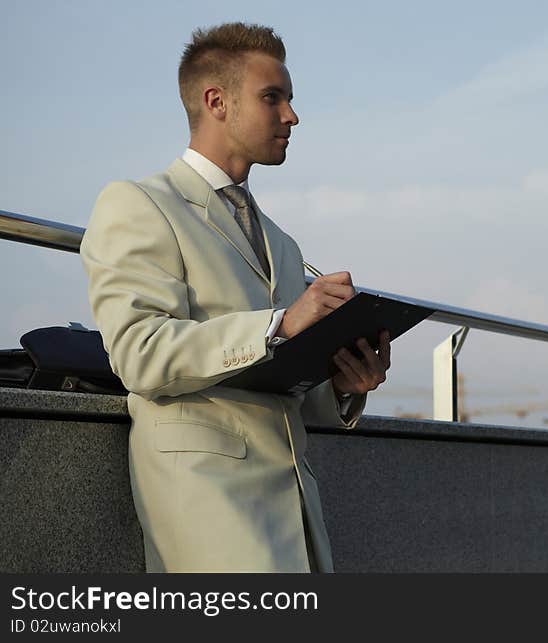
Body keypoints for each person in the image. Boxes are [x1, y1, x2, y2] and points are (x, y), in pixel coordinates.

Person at [80, 22, 391, 572]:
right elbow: (139, 352)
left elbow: (290, 388)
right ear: (216, 101)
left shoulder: (283, 244)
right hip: (209, 511)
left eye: (290, 100)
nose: (291, 116)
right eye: (273, 98)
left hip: (297, 520)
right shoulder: (139, 204)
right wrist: (278, 325)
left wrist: (344, 381)